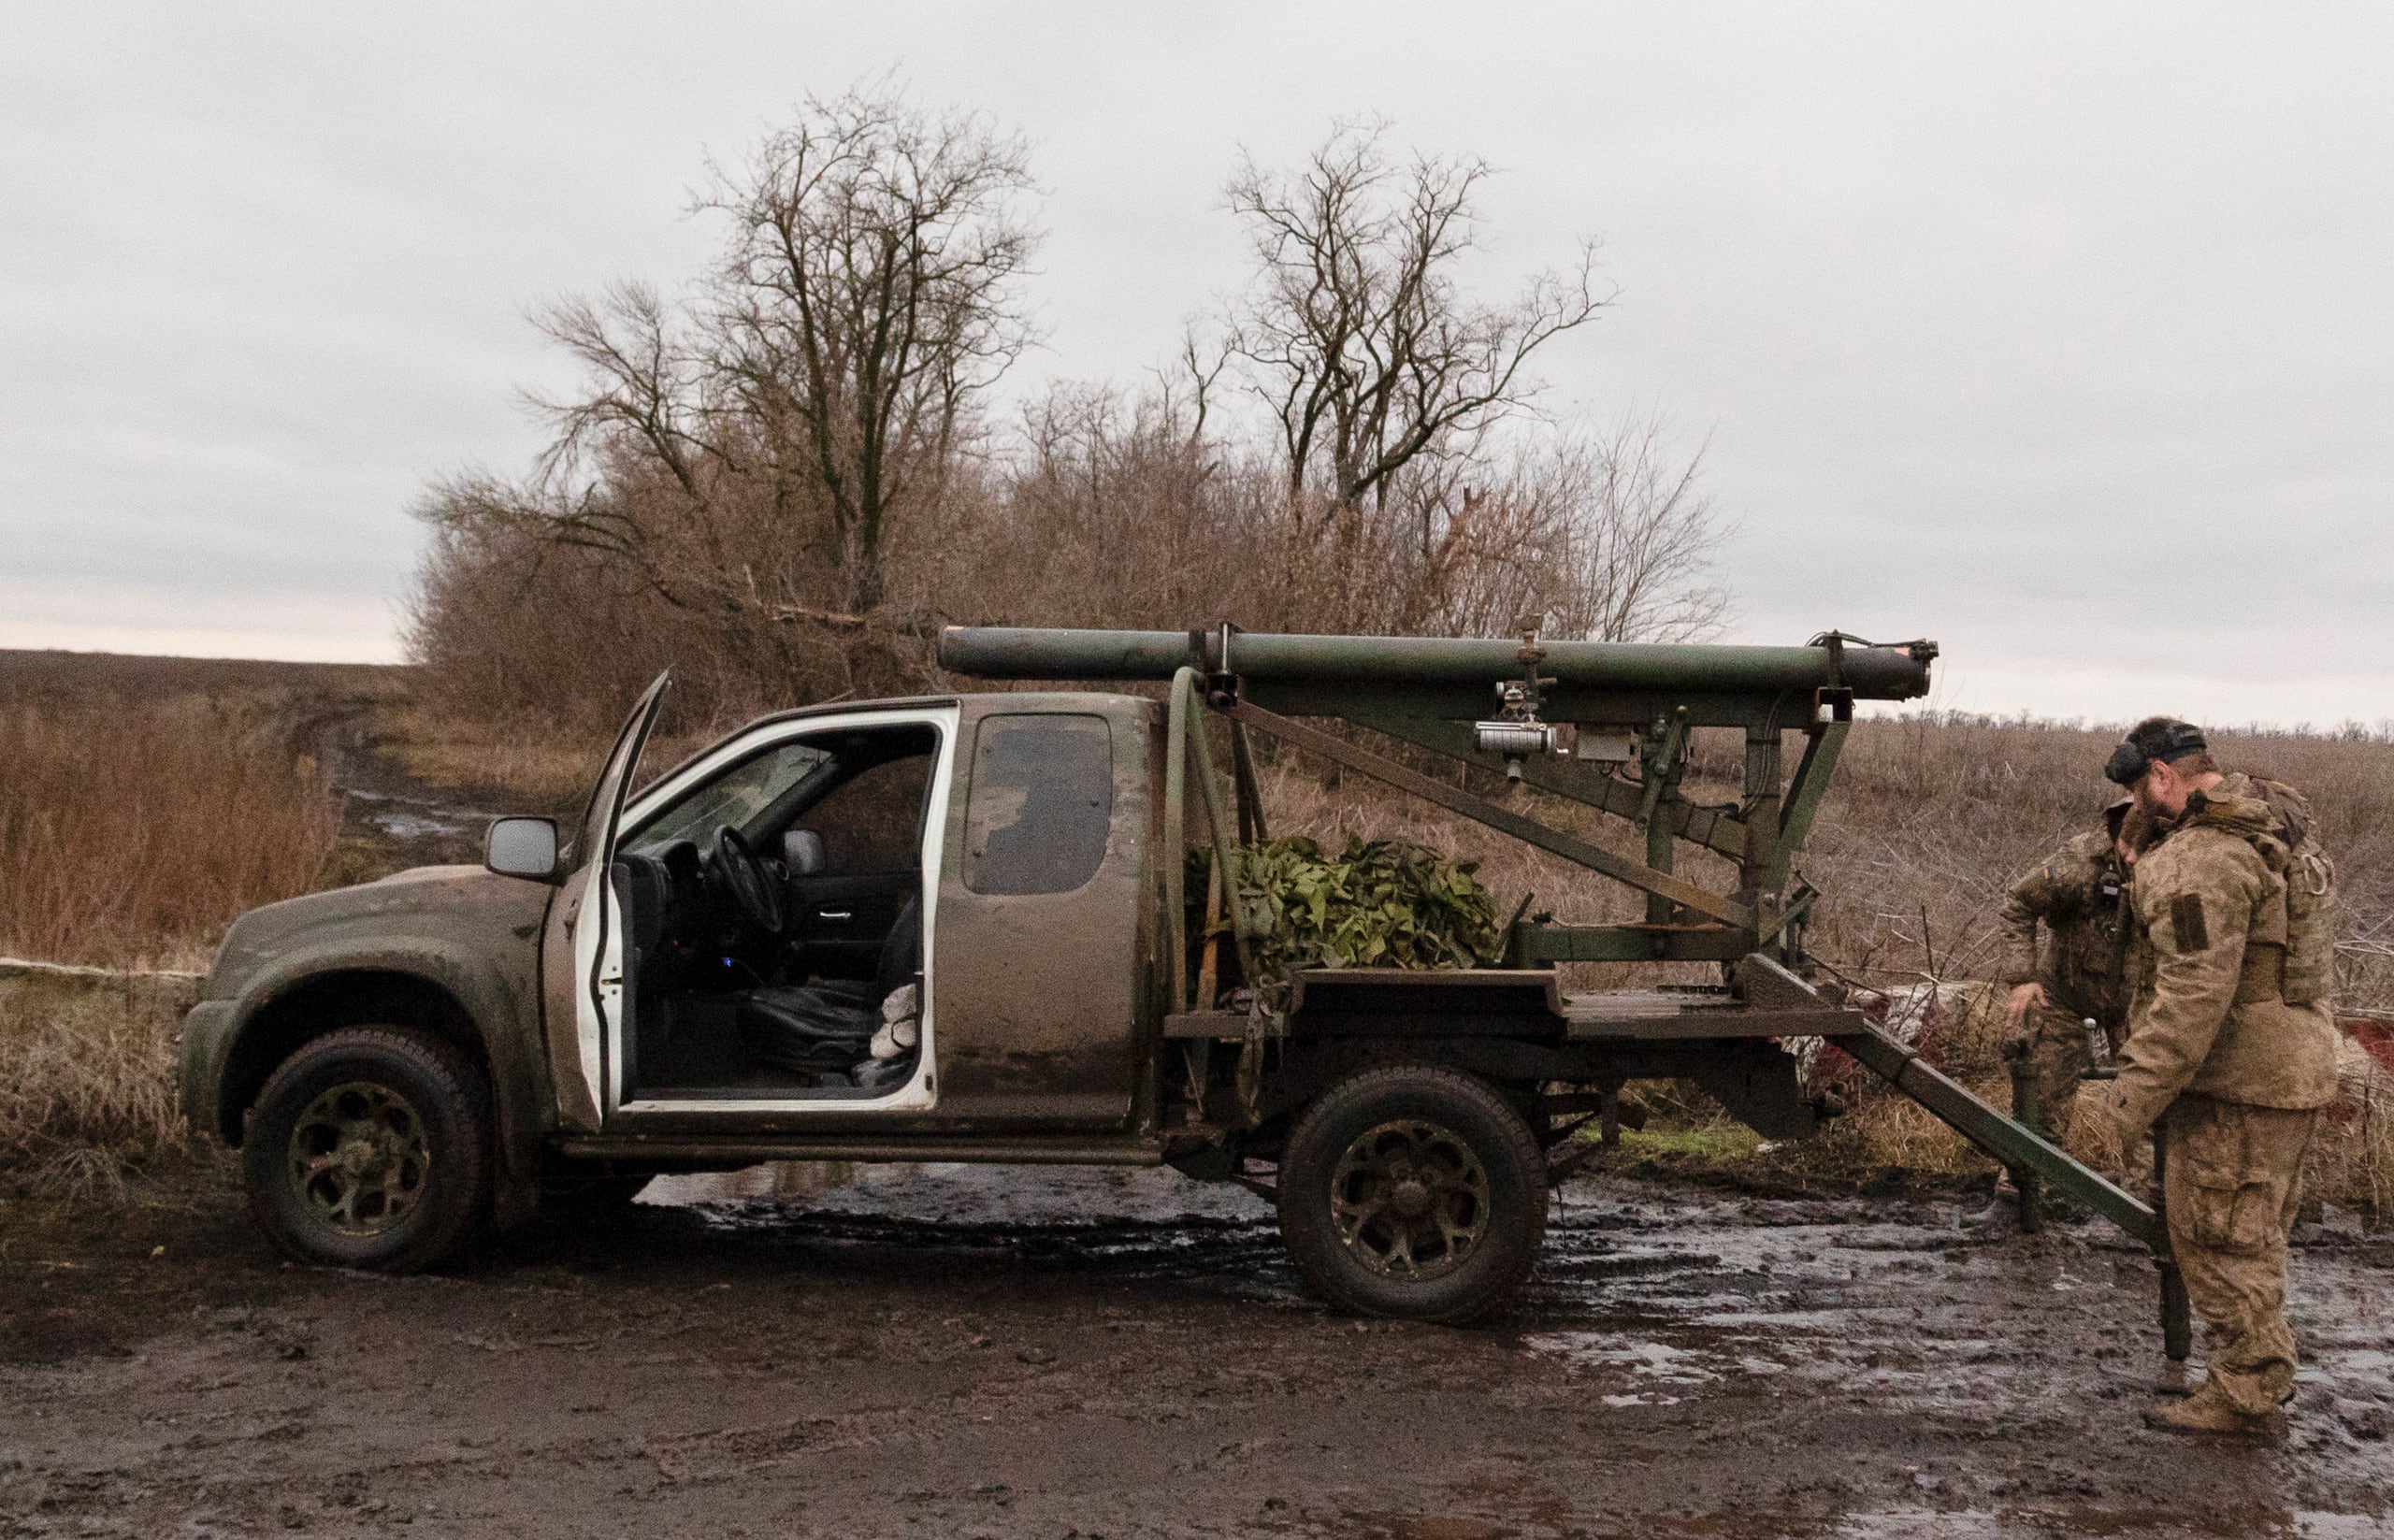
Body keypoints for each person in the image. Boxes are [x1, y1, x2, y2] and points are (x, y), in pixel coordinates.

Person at [2097, 717, 2342, 1437]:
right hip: (2288, 1071)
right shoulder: (2271, 835)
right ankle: (2255, 1375)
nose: (2140, 804)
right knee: (2251, 1233)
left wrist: (2120, 1106)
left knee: (2218, 1234)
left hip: (2240, 1084)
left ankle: (2246, 1390)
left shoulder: (2203, 861)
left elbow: (2188, 1003)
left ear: (2164, 778)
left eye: (2141, 789)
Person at [1997, 798, 2140, 1146]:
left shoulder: (2181, 860)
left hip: (2138, 1000)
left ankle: (2146, 1198)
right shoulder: (2079, 861)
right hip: (2063, 994)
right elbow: (2019, 903)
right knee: (2039, 1103)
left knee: (2152, 1110)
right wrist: (2022, 979)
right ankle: (2018, 1191)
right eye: (2128, 842)